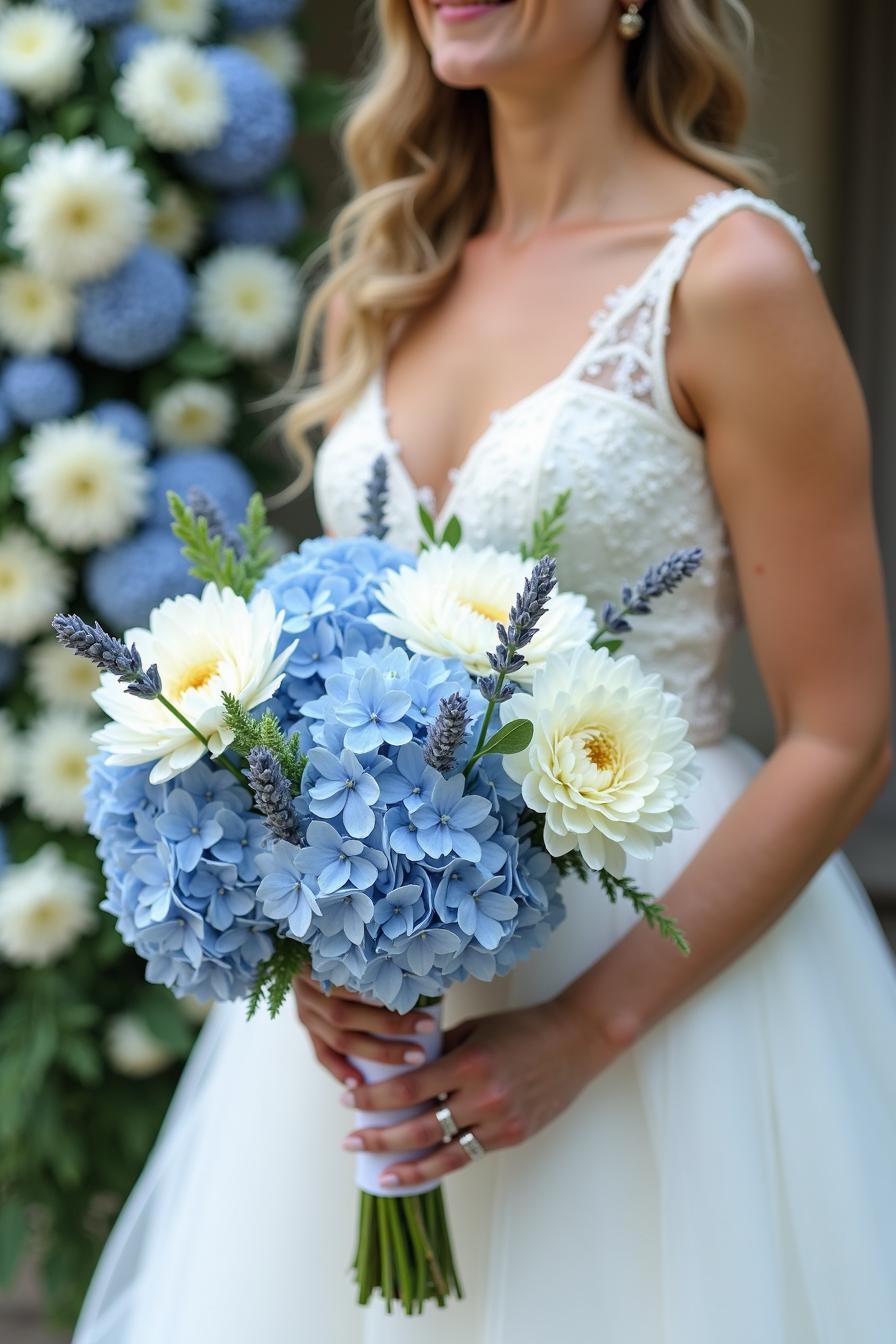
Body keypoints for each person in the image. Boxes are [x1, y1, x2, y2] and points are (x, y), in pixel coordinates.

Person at [74, 2, 896, 1341]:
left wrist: (588, 1030)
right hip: (379, 1026)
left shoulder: (732, 279)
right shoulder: (386, 274)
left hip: (659, 981)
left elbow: (846, 732)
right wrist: (319, 948)